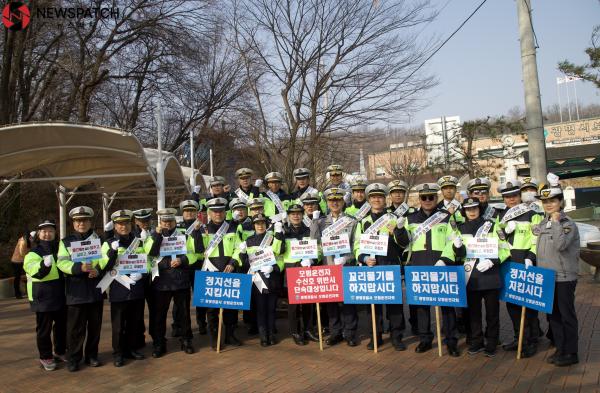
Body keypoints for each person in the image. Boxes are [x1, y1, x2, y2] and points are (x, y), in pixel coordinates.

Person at [440, 198, 509, 357]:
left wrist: (493, 261)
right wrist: (457, 248)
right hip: (471, 277)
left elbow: (505, 249)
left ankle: (491, 341)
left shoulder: (492, 225)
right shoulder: (460, 228)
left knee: (492, 314)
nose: (472, 211)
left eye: (475, 208)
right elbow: (458, 256)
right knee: (473, 314)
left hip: (490, 275)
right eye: (468, 208)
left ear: (480, 209)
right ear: (464, 211)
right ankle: (476, 341)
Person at [396, 183, 460, 356]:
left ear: (436, 198)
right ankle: (425, 339)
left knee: (447, 305)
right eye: (424, 197)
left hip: (441, 265)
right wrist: (400, 229)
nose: (427, 200)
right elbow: (403, 243)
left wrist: (445, 259)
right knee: (421, 306)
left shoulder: (446, 217)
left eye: (431, 197)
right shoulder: (411, 218)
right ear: (419, 199)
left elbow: (453, 240)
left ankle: (451, 340)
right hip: (419, 265)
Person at [354, 183, 406, 351]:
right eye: (373, 197)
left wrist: (398, 231)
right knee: (373, 307)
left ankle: (396, 337)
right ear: (369, 200)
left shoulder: (393, 218)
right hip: (372, 268)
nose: (377, 199)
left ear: (385, 199)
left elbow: (404, 244)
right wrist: (363, 258)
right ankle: (375, 337)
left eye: (380, 197)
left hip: (391, 265)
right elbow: (356, 245)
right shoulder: (363, 221)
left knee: (395, 306)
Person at [536, 175, 580, 367]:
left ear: (560, 202)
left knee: (566, 316)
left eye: (552, 200)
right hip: (547, 278)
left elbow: (561, 245)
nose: (548, 204)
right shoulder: (543, 222)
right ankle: (560, 348)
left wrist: (555, 222)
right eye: (545, 201)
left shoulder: (567, 224)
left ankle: (571, 352)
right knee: (553, 317)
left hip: (563, 277)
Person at [496, 179, 542, 358]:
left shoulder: (532, 213)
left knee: (528, 305)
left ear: (520, 196)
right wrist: (505, 232)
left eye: (514, 195)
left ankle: (531, 340)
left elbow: (537, 238)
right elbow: (497, 238)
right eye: (507, 197)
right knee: (512, 304)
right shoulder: (501, 216)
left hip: (526, 263)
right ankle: (518, 337)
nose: (511, 200)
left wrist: (531, 257)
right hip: (508, 264)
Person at [145, 208, 198, 357]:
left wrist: (182, 260)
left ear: (175, 221)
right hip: (161, 281)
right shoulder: (152, 236)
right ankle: (159, 343)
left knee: (184, 313)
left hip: (180, 279)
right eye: (164, 221)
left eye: (170, 221)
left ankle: (186, 340)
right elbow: (150, 254)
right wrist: (157, 235)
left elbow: (194, 255)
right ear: (160, 222)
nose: (167, 224)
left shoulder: (184, 235)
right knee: (159, 315)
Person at [57, 206, 104, 372]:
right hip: (75, 291)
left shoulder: (99, 240)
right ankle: (74, 358)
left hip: (95, 289)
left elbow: (105, 260)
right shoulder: (66, 242)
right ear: (73, 223)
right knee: (75, 328)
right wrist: (79, 268)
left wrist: (97, 269)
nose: (81, 223)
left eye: (84, 220)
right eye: (78, 221)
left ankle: (92, 355)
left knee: (94, 327)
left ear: (90, 222)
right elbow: (61, 263)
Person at [98, 210, 148, 367]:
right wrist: (112, 251)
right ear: (115, 226)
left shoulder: (138, 241)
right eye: (120, 224)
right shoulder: (108, 243)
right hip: (119, 289)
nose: (124, 226)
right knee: (118, 325)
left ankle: (131, 349)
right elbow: (104, 267)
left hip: (136, 287)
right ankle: (118, 353)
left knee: (134, 322)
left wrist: (142, 273)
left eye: (126, 223)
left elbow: (148, 262)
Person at [313, 188, 359, 347]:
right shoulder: (320, 222)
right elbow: (316, 244)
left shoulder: (352, 221)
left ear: (343, 202)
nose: (334, 203)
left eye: (337, 200)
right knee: (331, 303)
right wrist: (311, 259)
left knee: (348, 302)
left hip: (346, 267)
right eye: (331, 200)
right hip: (328, 266)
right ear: (327, 203)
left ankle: (350, 333)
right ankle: (335, 333)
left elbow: (356, 244)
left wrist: (348, 257)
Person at [23, 219, 66, 371]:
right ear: (39, 234)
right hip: (42, 296)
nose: (47, 234)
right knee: (44, 329)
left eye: (51, 231)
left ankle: (60, 351)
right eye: (44, 231)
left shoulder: (60, 249)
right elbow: (33, 270)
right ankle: (45, 356)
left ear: (55, 233)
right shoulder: (34, 252)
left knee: (62, 326)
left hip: (60, 294)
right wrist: (43, 265)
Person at [237, 214, 285, 346]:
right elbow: (245, 264)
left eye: (263, 223)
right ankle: (263, 336)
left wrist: (274, 268)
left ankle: (271, 335)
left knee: (271, 309)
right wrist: (242, 253)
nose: (260, 225)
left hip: (272, 278)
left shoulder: (272, 239)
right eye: (257, 223)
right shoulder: (249, 241)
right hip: (257, 279)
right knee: (260, 309)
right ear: (254, 225)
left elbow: (280, 255)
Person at [202, 197, 243, 349]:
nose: (218, 214)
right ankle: (215, 338)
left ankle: (230, 335)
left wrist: (233, 262)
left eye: (221, 211)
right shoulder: (203, 230)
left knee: (231, 307)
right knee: (212, 310)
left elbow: (240, 248)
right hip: (210, 272)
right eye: (215, 211)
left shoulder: (233, 228)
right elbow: (199, 252)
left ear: (225, 213)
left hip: (229, 271)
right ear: (210, 213)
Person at [280, 202, 320, 345]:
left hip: (307, 269)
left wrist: (312, 259)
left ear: (302, 215)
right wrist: (279, 234)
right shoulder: (284, 231)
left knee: (309, 302)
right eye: (293, 214)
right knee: (294, 304)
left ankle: (308, 329)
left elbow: (318, 248)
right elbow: (279, 251)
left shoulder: (309, 230)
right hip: (291, 270)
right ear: (289, 216)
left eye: (298, 213)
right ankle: (295, 332)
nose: (296, 216)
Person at [11, 230, 31, 299]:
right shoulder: (23, 241)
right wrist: (29, 256)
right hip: (17, 261)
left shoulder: (24, 240)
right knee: (17, 278)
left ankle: (23, 292)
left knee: (23, 276)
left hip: (20, 261)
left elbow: (26, 250)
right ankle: (17, 294)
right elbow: (22, 253)